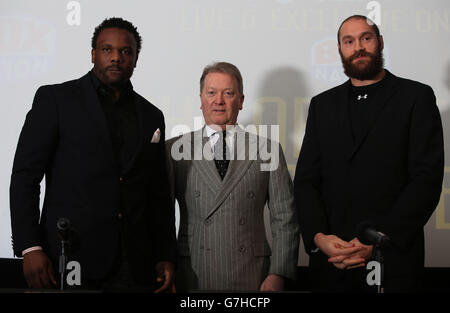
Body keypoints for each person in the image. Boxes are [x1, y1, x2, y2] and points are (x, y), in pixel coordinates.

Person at [9, 17, 176, 292]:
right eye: (107, 50)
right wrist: (30, 246)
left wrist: (165, 254)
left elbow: (157, 193)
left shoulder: (151, 115)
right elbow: (25, 177)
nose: (116, 58)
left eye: (126, 51)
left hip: (134, 264)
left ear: (136, 58)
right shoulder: (55, 100)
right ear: (93, 54)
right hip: (68, 257)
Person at [294, 15, 444, 292]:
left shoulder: (416, 97)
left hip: (394, 260)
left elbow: (426, 179)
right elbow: (306, 181)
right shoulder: (321, 105)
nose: (358, 47)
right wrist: (318, 238)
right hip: (332, 261)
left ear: (380, 42)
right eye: (348, 41)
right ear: (340, 50)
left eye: (366, 38)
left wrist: (377, 239)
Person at [166, 62, 299, 291]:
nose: (219, 100)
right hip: (193, 272)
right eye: (211, 93)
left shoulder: (267, 149)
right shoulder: (175, 151)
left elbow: (285, 218)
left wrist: (279, 273)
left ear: (241, 100)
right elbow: (161, 218)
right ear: (201, 99)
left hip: (253, 274)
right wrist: (164, 264)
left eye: (228, 93)